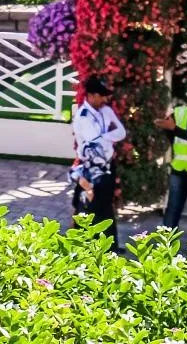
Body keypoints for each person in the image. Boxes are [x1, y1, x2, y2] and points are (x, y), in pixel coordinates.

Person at [72, 75, 126, 251]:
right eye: (101, 95)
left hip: (108, 167)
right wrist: (106, 139)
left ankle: (111, 248)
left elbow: (121, 132)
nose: (105, 99)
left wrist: (105, 136)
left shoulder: (105, 111)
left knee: (106, 208)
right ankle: (84, 249)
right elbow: (97, 146)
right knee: (89, 208)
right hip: (91, 170)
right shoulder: (83, 117)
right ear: (92, 95)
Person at [155, 94, 187, 230]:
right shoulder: (179, 111)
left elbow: (173, 129)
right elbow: (169, 130)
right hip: (179, 170)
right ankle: (166, 248)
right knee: (172, 211)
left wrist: (175, 129)